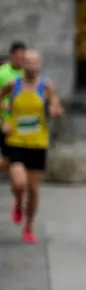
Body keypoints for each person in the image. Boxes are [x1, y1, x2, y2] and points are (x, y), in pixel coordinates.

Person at [0, 49, 64, 243]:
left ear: (39, 65)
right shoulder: (14, 84)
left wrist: (55, 109)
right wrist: (4, 121)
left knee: (34, 189)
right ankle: (19, 202)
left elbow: (56, 104)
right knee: (19, 183)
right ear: (23, 64)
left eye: (34, 62)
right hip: (16, 141)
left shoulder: (46, 86)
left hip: (37, 143)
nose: (31, 65)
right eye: (27, 61)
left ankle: (29, 226)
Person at [0, 41, 27, 202]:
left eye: (23, 57)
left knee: (14, 163)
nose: (20, 60)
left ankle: (16, 182)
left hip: (19, 127)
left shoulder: (27, 74)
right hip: (3, 123)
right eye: (17, 57)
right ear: (11, 56)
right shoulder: (3, 73)